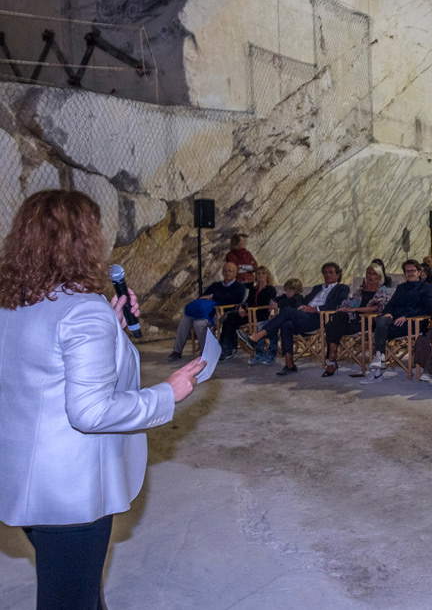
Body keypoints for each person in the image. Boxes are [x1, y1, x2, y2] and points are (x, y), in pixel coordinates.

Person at [0, 190, 204, 609]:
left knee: (75, 589)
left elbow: (42, 370)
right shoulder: (82, 311)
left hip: (24, 483)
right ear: (81, 239)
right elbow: (90, 411)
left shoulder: (14, 303)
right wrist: (168, 392)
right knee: (70, 598)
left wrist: (111, 325)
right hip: (71, 492)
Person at [247, 262, 350, 375]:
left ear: (338, 274)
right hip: (304, 316)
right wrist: (280, 301)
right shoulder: (317, 287)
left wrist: (314, 309)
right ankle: (289, 364)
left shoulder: (342, 288)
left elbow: (336, 304)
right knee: (286, 324)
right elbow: (302, 300)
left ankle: (257, 336)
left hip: (319, 318)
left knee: (286, 311)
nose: (327, 275)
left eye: (331, 272)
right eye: (325, 273)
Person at [366, 259, 432, 381]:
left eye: (412, 270)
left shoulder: (427, 287)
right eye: (407, 271)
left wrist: (407, 316)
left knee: (380, 330)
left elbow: (428, 308)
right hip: (396, 322)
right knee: (381, 320)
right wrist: (388, 313)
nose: (409, 273)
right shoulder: (401, 287)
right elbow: (391, 304)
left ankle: (378, 363)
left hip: (415, 323)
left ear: (419, 272)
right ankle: (380, 357)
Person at [320, 263, 392, 377]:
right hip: (353, 322)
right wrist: (344, 308)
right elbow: (348, 302)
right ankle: (332, 358)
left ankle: (331, 360)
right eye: (368, 273)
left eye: (373, 273)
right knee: (336, 319)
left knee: (333, 325)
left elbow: (377, 308)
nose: (370, 276)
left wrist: (355, 309)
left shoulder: (383, 291)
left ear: (379, 277)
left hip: (369, 322)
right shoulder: (360, 291)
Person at [168, 262, 247, 360]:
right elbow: (203, 297)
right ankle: (177, 351)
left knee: (199, 324)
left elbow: (235, 300)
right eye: (225, 270)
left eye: (230, 271)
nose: (227, 273)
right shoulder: (216, 285)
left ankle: (206, 351)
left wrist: (214, 296)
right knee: (186, 318)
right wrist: (214, 297)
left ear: (235, 273)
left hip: (223, 313)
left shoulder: (239, 287)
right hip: (206, 311)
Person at [219, 265, 277, 360]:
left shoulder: (270, 289)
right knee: (230, 320)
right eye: (258, 274)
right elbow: (248, 302)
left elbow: (267, 305)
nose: (260, 275)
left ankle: (229, 349)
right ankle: (226, 349)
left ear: (267, 276)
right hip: (249, 313)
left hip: (259, 315)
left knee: (231, 319)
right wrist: (243, 308)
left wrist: (248, 310)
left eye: (263, 273)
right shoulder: (254, 289)